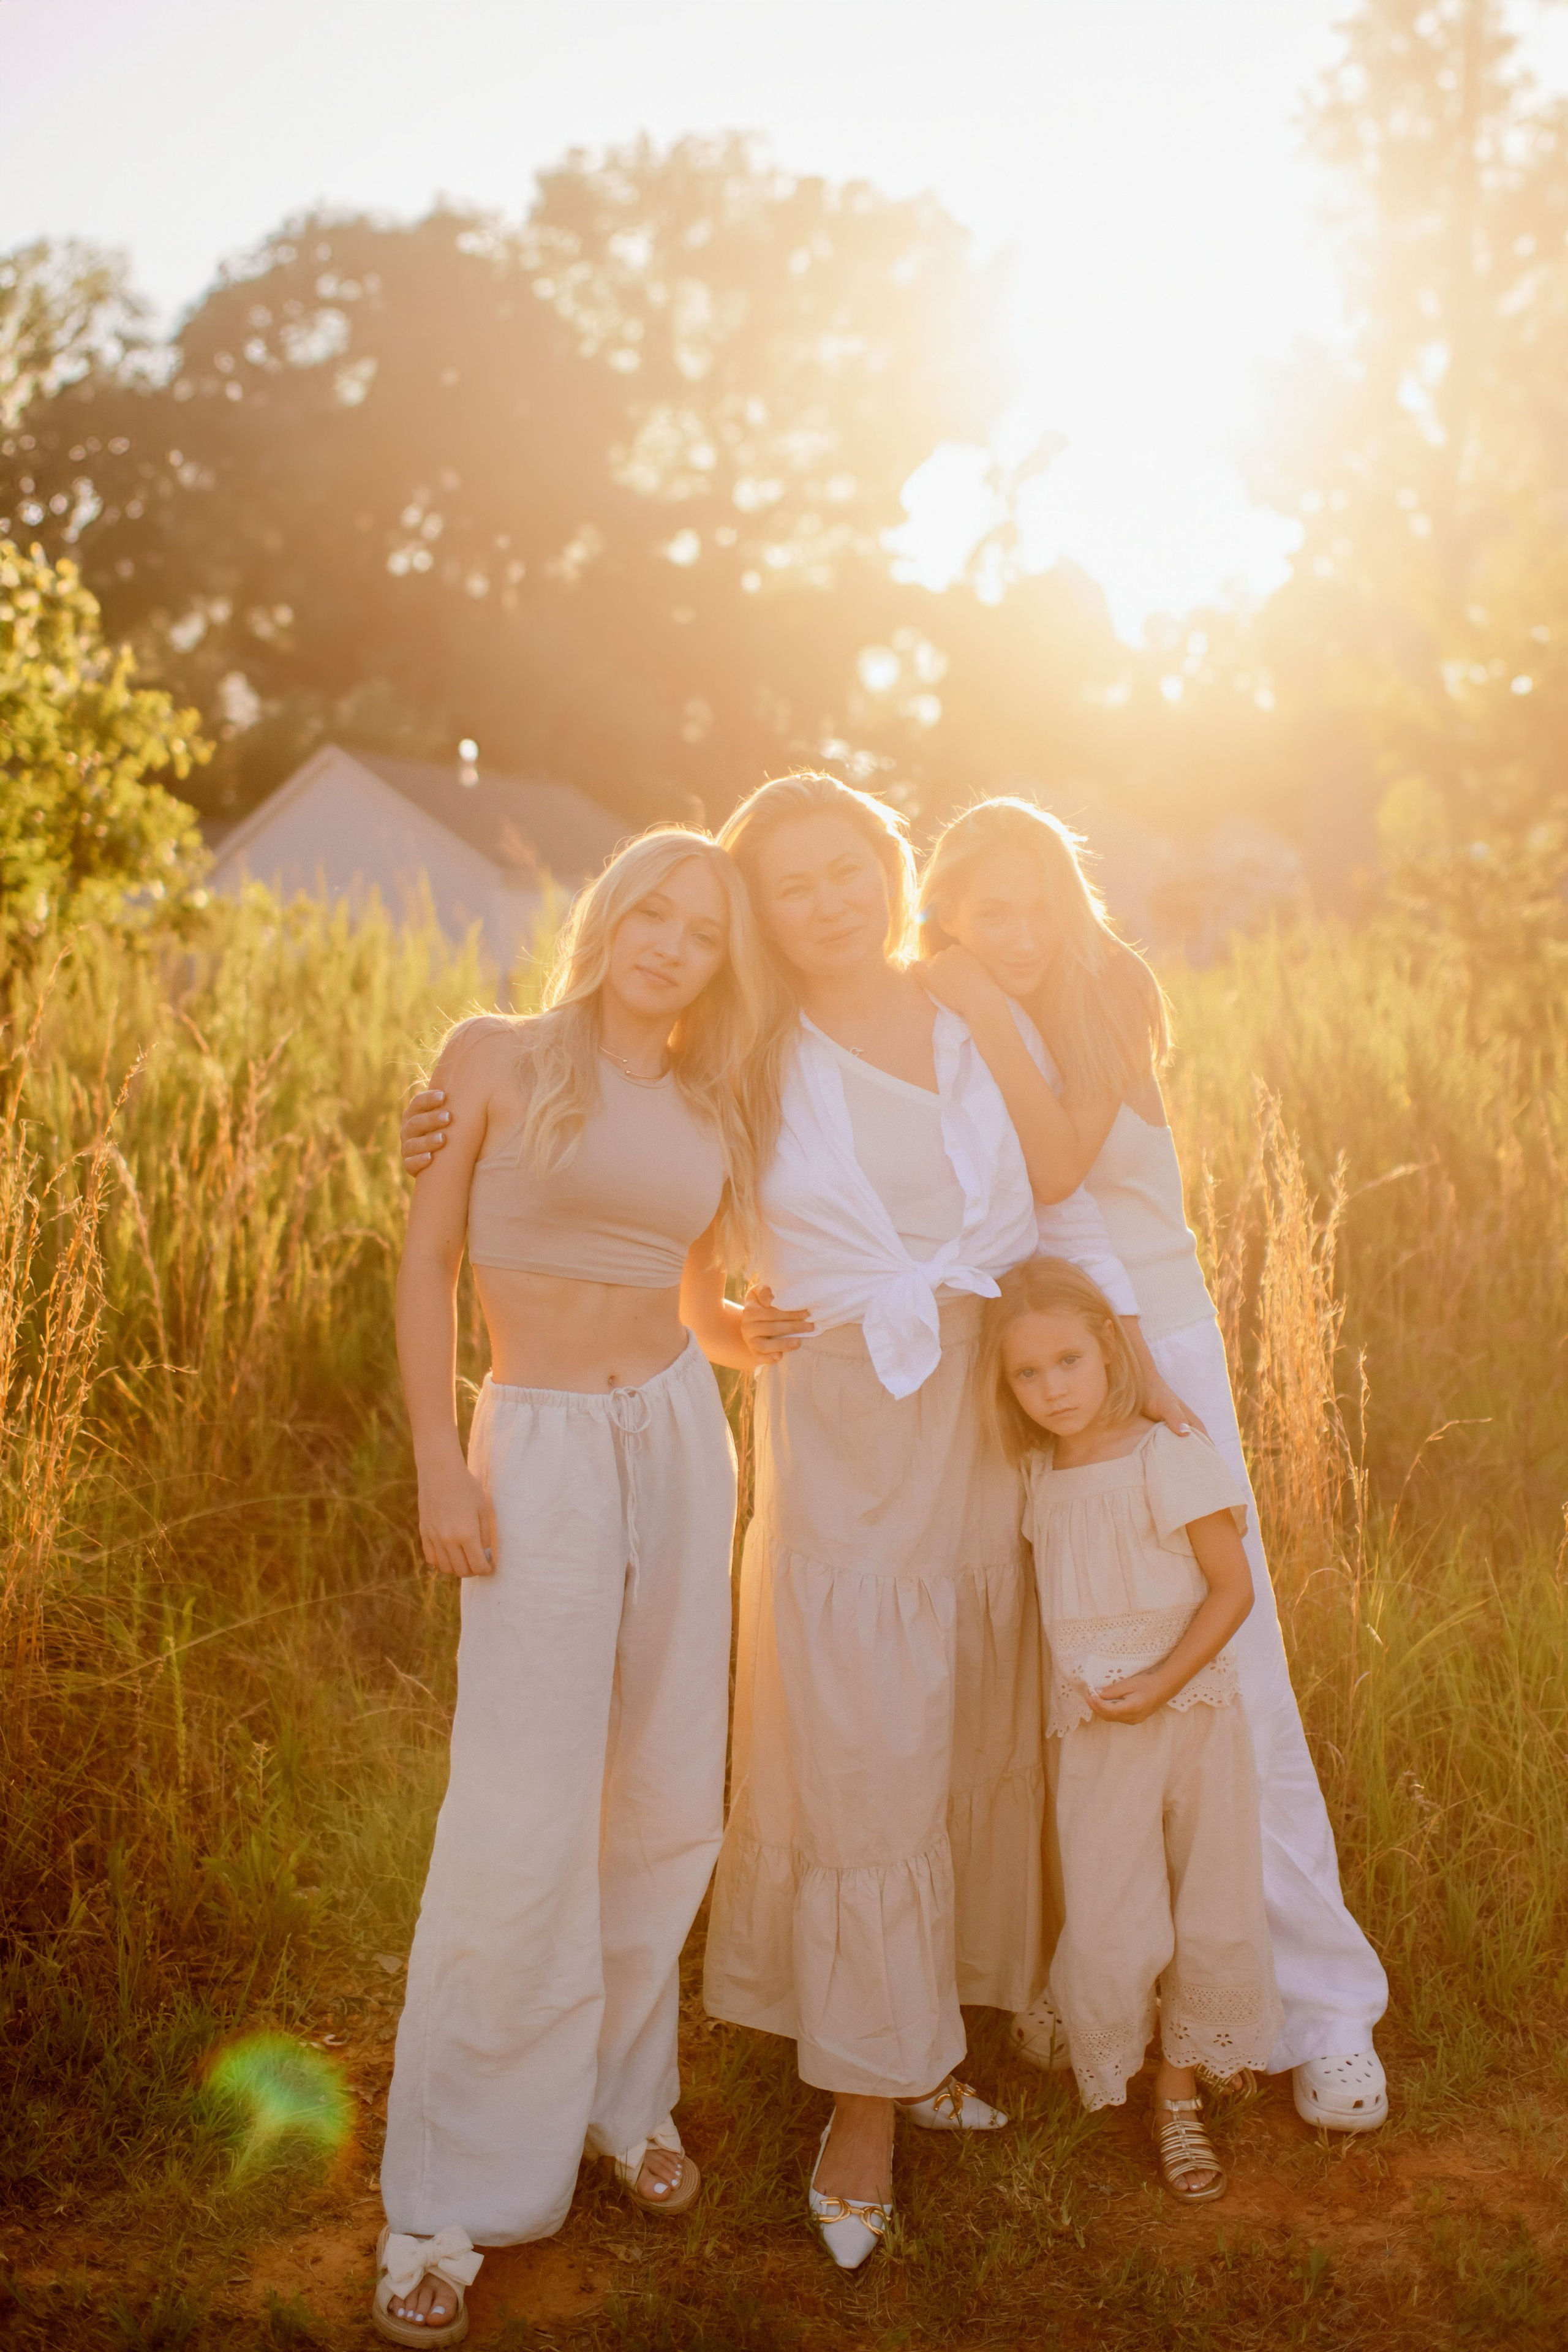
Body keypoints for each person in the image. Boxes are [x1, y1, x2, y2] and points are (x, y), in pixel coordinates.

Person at [916, 796, 1390, 2133]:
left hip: (1155, 1354)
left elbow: (1069, 1174)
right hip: (1046, 1369)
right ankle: (1108, 1990)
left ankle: (1324, 2010)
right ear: (945, 912)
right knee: (1076, 1668)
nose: (1019, 935)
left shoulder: (1104, 990)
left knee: (1231, 1669)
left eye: (1038, 906)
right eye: (989, 913)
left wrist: (1137, 1356)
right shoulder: (937, 1013)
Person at [372, 831, 771, 2346]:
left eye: (700, 931)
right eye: (650, 912)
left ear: (720, 962)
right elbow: (425, 1264)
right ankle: (451, 2196)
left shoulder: (712, 1099)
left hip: (677, 1438)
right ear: (608, 917)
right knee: (520, 1807)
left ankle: (622, 2095)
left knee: (665, 1788)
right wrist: (440, 1464)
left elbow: (689, 1300)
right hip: (533, 1445)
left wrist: (752, 1336)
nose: (668, 943)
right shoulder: (490, 1056)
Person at [982, 1256, 1281, 2204]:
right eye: (1028, 1374)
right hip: (1096, 1736)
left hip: (1192, 1720)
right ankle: (1113, 2030)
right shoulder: (1034, 1477)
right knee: (1112, 1911)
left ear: (1111, 1350)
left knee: (1211, 1896)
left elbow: (1232, 1589)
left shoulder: (1167, 1452)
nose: (1053, 1389)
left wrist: (1161, 1683)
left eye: (1069, 1360)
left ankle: (1180, 2088)